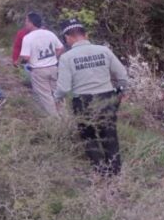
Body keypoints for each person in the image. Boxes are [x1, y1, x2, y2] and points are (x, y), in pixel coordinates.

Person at [54, 18, 128, 176]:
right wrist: (120, 91)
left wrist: (56, 98)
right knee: (109, 136)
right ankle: (115, 173)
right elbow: (122, 75)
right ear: (85, 34)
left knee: (89, 137)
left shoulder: (67, 58)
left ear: (68, 37)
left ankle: (101, 172)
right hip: (107, 98)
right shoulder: (104, 51)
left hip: (83, 101)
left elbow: (64, 87)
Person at [19, 12, 65, 117]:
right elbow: (61, 48)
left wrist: (24, 62)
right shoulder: (50, 33)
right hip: (53, 68)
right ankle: (64, 115)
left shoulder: (28, 38)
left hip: (38, 70)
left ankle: (55, 121)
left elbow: (25, 57)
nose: (25, 23)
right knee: (57, 93)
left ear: (32, 23)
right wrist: (54, 57)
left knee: (46, 96)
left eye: (26, 21)